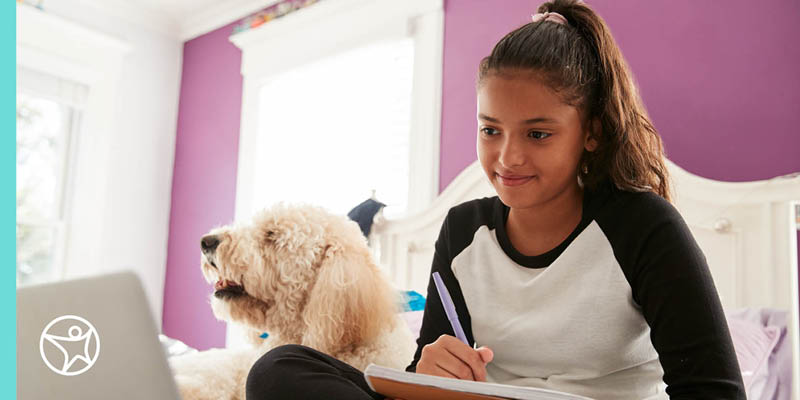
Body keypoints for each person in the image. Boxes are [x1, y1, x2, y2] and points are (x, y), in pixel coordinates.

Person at [245, 0, 746, 399]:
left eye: (538, 134)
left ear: (590, 133)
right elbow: (426, 381)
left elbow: (711, 390)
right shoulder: (462, 230)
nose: (507, 158)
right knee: (280, 367)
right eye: (490, 130)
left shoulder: (643, 226)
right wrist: (429, 367)